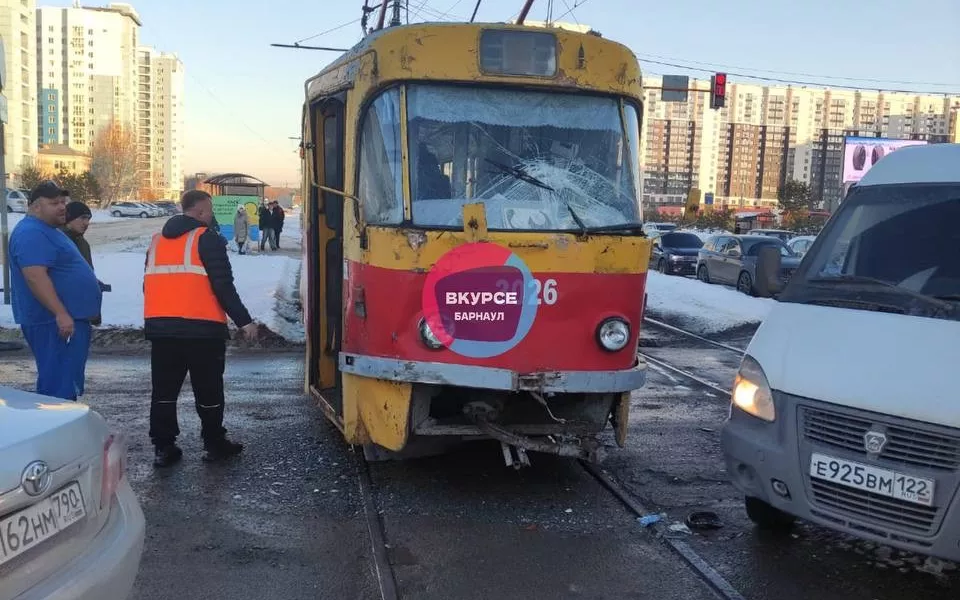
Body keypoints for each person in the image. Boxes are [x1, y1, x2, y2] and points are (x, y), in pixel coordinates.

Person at [143, 189, 259, 468]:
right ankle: (214, 443)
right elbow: (222, 285)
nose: (212, 215)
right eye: (210, 210)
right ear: (200, 212)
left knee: (163, 392)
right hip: (202, 330)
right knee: (208, 391)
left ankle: (163, 447)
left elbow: (147, 284)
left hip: (161, 330)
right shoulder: (207, 239)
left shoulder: (157, 241)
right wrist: (244, 320)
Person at [8, 181, 102, 401]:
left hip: (67, 319)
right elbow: (35, 276)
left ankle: (63, 424)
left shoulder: (49, 230)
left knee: (67, 379)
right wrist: (60, 313)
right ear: (35, 206)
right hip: (52, 321)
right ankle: (58, 429)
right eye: (54, 203)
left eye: (63, 202)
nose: (62, 207)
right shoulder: (31, 232)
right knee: (58, 385)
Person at [62, 201, 110, 326]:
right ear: (69, 218)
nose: (87, 223)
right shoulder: (58, 241)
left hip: (82, 311)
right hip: (64, 311)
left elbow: (87, 274)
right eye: (83, 218)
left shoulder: (82, 242)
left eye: (88, 219)